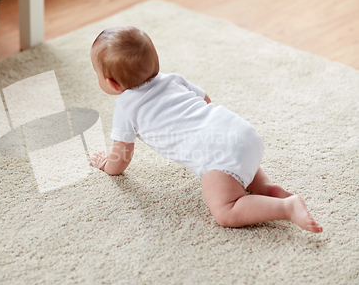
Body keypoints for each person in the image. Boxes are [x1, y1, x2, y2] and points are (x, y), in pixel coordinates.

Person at [89, 26, 322, 233]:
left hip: (216, 153)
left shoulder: (125, 107)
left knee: (226, 211)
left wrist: (107, 165)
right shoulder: (172, 79)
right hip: (238, 130)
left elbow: (121, 157)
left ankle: (286, 208)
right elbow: (206, 100)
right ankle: (268, 190)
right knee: (239, 168)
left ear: (112, 83)